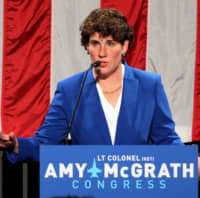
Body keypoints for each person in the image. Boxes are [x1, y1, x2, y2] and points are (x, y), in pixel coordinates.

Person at [0, 8, 184, 163]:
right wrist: (16, 145)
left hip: (138, 187)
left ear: (125, 47)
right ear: (87, 46)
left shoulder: (149, 86)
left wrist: (190, 162)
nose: (102, 53)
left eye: (110, 44)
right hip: (90, 187)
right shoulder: (70, 90)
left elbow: (166, 139)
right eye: (95, 43)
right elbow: (45, 143)